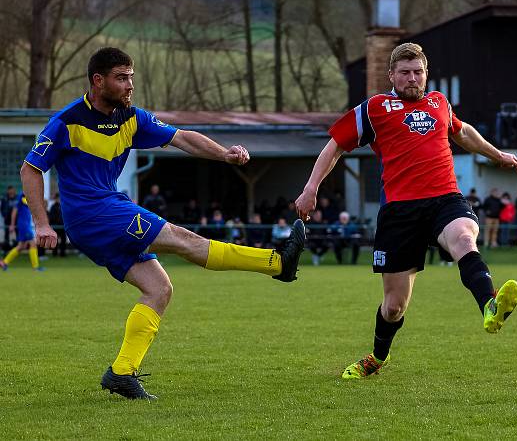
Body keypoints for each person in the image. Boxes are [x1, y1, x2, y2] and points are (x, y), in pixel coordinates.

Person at [19, 47, 305, 400]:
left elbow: (181, 137)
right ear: (98, 80)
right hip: (94, 214)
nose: (129, 85)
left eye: (131, 78)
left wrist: (224, 153)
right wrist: (42, 224)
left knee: (159, 289)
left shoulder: (131, 118)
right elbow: (30, 169)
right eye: (121, 78)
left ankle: (122, 372)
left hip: (106, 213)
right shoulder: (66, 121)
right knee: (180, 238)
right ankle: (277, 263)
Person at [294, 42, 517, 379]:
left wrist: (497, 154)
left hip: (445, 198)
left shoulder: (439, 102)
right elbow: (335, 146)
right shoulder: (374, 108)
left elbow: (462, 133)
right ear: (391, 76)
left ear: (426, 74)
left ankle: (489, 305)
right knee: (394, 306)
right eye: (405, 73)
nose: (412, 78)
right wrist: (311, 188)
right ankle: (377, 357)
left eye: (418, 72)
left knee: (463, 238)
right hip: (399, 211)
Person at [0, 192, 43, 271]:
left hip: (26, 225)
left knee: (21, 247)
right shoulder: (21, 195)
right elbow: (14, 210)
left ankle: (4, 262)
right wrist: (12, 224)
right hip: (24, 226)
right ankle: (36, 267)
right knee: (33, 244)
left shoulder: (28, 196)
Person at [48, 192, 67, 257]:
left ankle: (62, 253)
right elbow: (51, 217)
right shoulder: (53, 207)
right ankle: (54, 253)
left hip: (62, 227)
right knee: (55, 241)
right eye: (57, 198)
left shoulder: (64, 206)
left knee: (63, 240)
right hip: (56, 227)